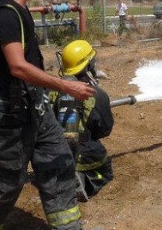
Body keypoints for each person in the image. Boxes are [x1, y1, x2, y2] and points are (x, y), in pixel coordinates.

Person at [0, 0, 95, 230]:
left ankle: (68, 227)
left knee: (59, 163)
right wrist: (66, 86)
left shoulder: (21, 10)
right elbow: (18, 67)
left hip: (36, 108)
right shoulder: (5, 14)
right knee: (7, 181)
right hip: (12, 115)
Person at [50, 40, 114, 202]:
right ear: (87, 66)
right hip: (83, 154)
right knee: (104, 172)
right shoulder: (96, 95)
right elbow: (104, 130)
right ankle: (86, 180)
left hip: (52, 152)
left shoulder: (50, 88)